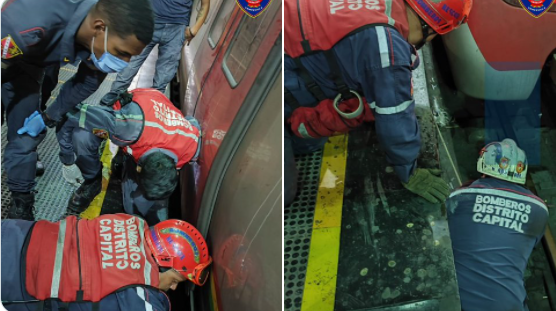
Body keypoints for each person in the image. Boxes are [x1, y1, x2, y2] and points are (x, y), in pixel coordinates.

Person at [283, 0, 472, 205]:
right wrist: (409, 171)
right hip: (271, 83)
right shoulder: (387, 52)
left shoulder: (383, 8)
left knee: (313, 138)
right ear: (430, 29)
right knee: (284, 191)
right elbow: (395, 120)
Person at [1, 0, 155, 220]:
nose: (124, 63)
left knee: (25, 136)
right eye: (121, 53)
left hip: (31, 64)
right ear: (100, 27)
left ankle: (21, 207)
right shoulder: (29, 22)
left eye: (129, 56)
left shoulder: (96, 43)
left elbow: (87, 82)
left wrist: (48, 117)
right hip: (10, 51)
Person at [1, 214, 212, 310]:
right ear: (163, 262)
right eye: (176, 279)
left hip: (13, 231)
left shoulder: (130, 221)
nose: (173, 287)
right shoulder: (142, 299)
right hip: (13, 281)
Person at [58, 89, 201, 225]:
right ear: (138, 167)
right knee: (82, 136)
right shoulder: (125, 127)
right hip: (143, 102)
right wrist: (68, 161)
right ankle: (93, 180)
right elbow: (74, 113)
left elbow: (191, 121)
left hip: (158, 110)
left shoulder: (191, 145)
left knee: (137, 204)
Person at [446, 139, 548, 311]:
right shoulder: (539, 208)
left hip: (460, 302)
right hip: (511, 304)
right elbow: (526, 244)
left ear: (483, 162)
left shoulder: (460, 196)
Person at [99, 0, 210, 105]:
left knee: (162, 79)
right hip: (150, 22)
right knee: (130, 66)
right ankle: (111, 102)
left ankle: (152, 110)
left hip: (176, 29)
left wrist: (193, 31)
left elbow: (205, 4)